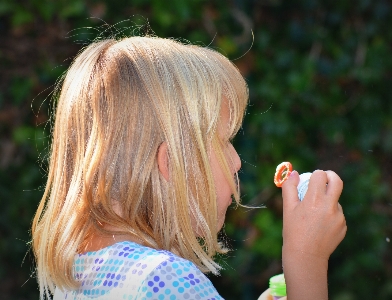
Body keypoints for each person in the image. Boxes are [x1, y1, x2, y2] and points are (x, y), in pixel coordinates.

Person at [31, 36, 346, 300]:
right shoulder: (167, 281)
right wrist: (307, 261)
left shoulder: (76, 273)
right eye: (224, 141)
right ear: (172, 164)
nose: (237, 161)